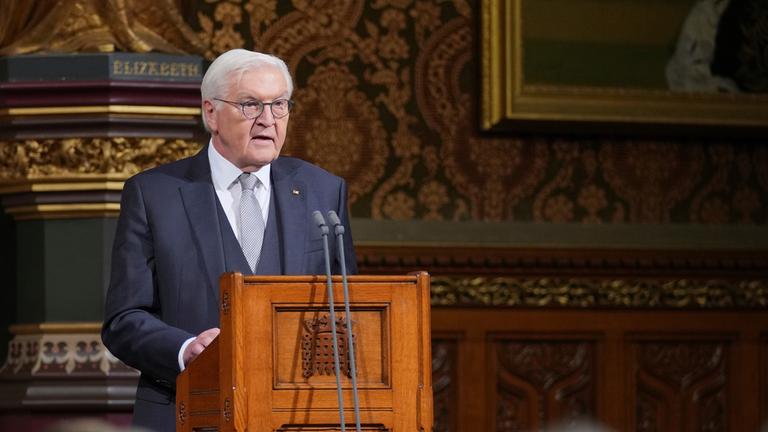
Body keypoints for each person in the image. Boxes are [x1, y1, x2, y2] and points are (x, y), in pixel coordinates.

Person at [101, 48, 357, 431]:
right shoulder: (154, 195)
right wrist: (185, 350)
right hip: (186, 409)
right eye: (251, 105)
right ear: (211, 113)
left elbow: (349, 312)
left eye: (279, 105)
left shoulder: (323, 192)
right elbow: (123, 319)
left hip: (298, 416)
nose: (268, 120)